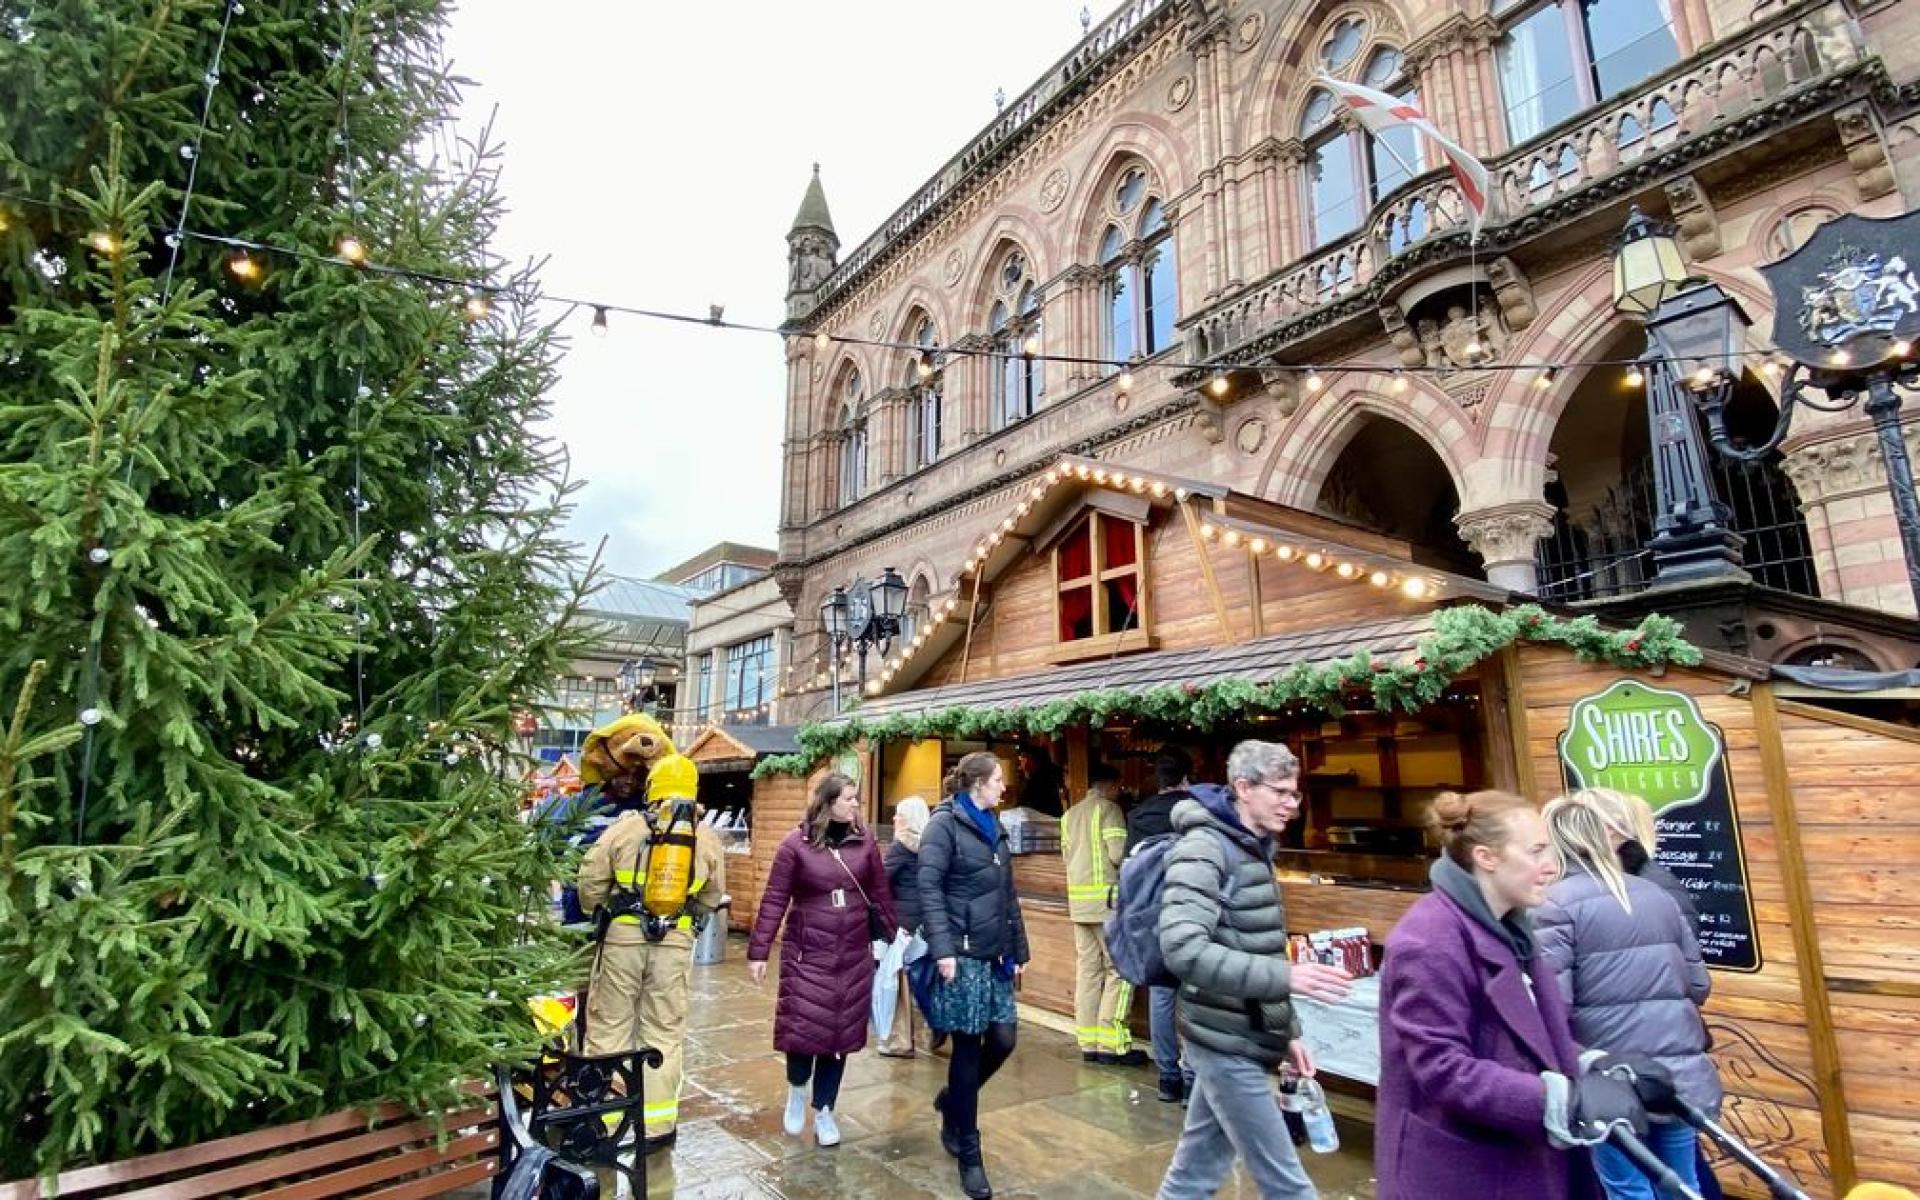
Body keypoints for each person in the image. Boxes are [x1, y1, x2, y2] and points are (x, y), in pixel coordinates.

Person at [1377, 789, 1644, 1200]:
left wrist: (1600, 1067)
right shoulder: (1428, 940)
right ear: (1487, 857)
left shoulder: (1509, 929)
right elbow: (1442, 1068)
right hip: (1463, 1171)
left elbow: (1530, 1039)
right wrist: (1561, 1100)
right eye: (1536, 852)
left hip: (1518, 1161)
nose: (1551, 867)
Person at [1155, 740, 1355, 1200]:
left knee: (1194, 1174)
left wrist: (1289, 1032)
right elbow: (1182, 949)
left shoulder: (1253, 846)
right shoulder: (1204, 849)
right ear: (1243, 787)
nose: (1292, 804)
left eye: (1295, 793)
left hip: (1239, 1034)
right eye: (1281, 792)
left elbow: (1258, 946)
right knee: (1288, 1186)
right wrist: (1286, 979)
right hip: (1223, 1040)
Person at [1536, 794, 1719, 1200]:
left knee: (1627, 1189)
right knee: (1683, 1184)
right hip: (1677, 1073)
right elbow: (1699, 985)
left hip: (1611, 1077)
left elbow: (1553, 1006)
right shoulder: (1658, 895)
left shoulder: (1553, 906)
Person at [577, 751, 727, 1154]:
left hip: (623, 940)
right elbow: (712, 898)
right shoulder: (706, 837)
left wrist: (601, 911)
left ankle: (604, 1118)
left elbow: (591, 879)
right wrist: (685, 919)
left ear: (652, 789)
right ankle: (657, 1127)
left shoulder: (628, 828)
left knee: (610, 1026)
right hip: (675, 944)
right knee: (663, 1030)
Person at [746, 772, 897, 1148]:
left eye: (856, 799)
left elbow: (880, 896)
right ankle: (798, 1089)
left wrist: (890, 941)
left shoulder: (865, 845)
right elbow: (774, 899)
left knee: (840, 1036)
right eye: (848, 799)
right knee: (803, 1030)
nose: (855, 805)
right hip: (807, 953)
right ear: (827, 803)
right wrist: (759, 951)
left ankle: (826, 1109)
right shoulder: (795, 845)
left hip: (853, 953)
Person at [920, 752, 1030, 1200]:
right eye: (999, 780)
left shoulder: (994, 826)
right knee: (968, 1048)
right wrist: (943, 948)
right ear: (977, 784)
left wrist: (1019, 948)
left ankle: (953, 1103)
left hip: (995, 955)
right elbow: (928, 886)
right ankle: (969, 1150)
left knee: (1003, 1041)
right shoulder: (944, 824)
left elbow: (1008, 893)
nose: (1004, 787)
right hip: (962, 954)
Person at [1126, 748, 1198, 1103]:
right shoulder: (1199, 811)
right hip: (1191, 912)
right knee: (1196, 996)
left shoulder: (1138, 815)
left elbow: (1127, 867)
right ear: (1187, 777)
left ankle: (1168, 1077)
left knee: (1161, 995)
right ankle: (1193, 1078)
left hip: (1151, 917)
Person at [1062, 764, 1145, 1065]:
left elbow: (1067, 856)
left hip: (1079, 905)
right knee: (1119, 969)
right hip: (1107, 904)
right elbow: (1117, 854)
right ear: (1110, 786)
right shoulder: (1109, 810)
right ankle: (1113, 1045)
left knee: (1088, 970)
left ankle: (1089, 1042)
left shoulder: (1069, 815)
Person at [878, 795, 933, 1058]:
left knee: (898, 984)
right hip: (928, 922)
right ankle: (937, 1027)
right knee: (927, 979)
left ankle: (900, 1041)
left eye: (898, 814)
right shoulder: (933, 846)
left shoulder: (900, 847)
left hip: (903, 924)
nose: (893, 819)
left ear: (908, 819)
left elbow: (880, 883)